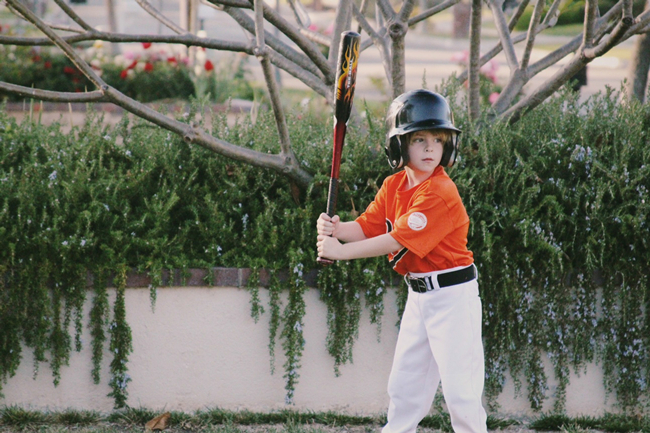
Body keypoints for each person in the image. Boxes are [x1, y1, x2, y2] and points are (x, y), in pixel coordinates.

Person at [316, 89, 488, 433]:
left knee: (461, 396)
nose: (429, 148)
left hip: (453, 298)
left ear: (447, 146)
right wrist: (336, 228)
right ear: (399, 147)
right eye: (419, 139)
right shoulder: (394, 185)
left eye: (437, 139)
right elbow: (368, 227)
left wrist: (340, 251)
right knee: (405, 388)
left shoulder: (440, 192)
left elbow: (396, 239)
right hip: (420, 297)